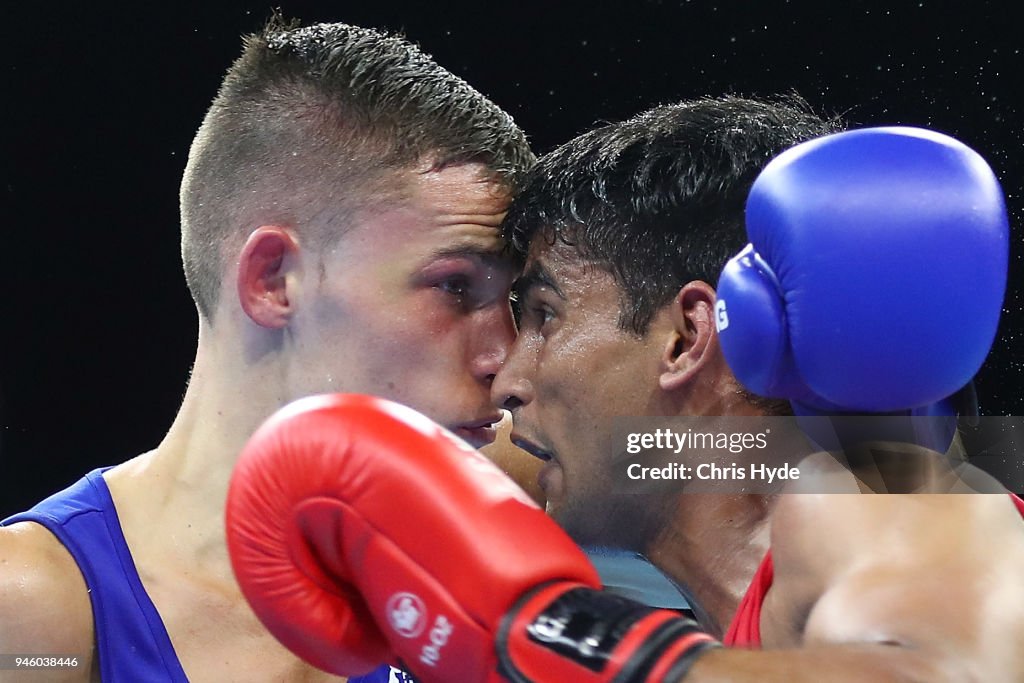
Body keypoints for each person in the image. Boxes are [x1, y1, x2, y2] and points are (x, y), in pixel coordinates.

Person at [224, 97, 1024, 682]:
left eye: (544, 313)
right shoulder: (744, 573)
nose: (510, 375)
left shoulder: (874, 499)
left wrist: (551, 632)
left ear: (685, 338)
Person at [0, 17, 534, 682]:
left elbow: (692, 460)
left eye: (515, 301)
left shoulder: (530, 472)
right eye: (456, 286)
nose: (510, 359)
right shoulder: (36, 607)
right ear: (274, 279)